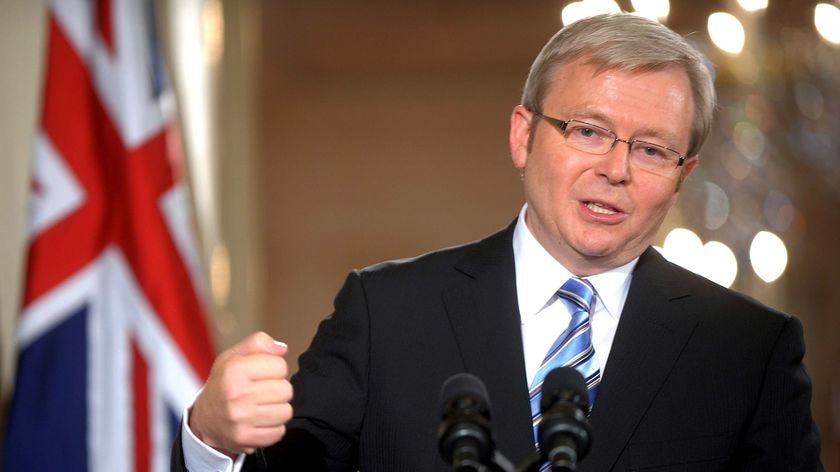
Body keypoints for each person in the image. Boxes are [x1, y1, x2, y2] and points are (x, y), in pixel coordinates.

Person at [173, 13, 823, 471]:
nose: (616, 169)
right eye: (589, 132)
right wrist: (212, 438)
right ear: (523, 135)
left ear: (682, 177)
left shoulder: (748, 353)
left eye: (651, 149)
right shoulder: (387, 314)